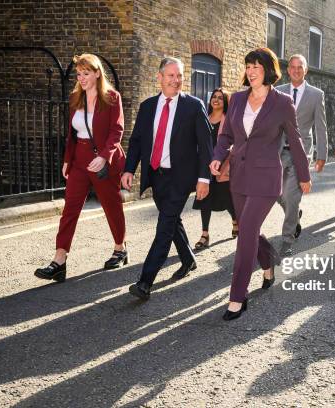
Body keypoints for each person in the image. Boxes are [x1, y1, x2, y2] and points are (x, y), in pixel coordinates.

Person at [210, 48, 311, 320]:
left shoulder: (282, 102)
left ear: (268, 70)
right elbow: (227, 135)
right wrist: (218, 157)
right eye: (248, 66)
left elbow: (296, 140)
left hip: (266, 179)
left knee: (245, 234)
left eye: (256, 66)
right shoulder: (238, 99)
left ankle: (237, 297)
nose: (251, 71)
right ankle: (268, 262)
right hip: (239, 177)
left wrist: (303, 175)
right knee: (247, 229)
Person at [121, 57, 212, 300]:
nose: (176, 80)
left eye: (180, 75)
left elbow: (205, 145)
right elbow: (138, 141)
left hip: (182, 177)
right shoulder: (148, 106)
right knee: (171, 222)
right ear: (159, 77)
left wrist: (205, 178)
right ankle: (188, 259)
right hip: (157, 175)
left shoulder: (193, 106)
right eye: (170, 75)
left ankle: (145, 282)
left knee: (164, 226)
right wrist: (129, 169)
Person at [35, 54, 127, 283]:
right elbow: (72, 133)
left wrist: (105, 157)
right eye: (79, 73)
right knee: (70, 209)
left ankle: (120, 247)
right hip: (79, 160)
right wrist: (67, 159)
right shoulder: (76, 97)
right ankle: (59, 261)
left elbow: (117, 130)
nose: (81, 78)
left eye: (86, 73)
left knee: (111, 205)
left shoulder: (112, 98)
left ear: (97, 73)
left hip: (102, 158)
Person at [275, 54, 327, 257]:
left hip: (302, 153)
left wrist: (321, 154)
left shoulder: (316, 95)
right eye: (293, 67)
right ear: (288, 70)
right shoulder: (277, 92)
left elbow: (321, 127)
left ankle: (287, 239)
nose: (296, 70)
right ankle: (294, 214)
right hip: (278, 151)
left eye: (300, 67)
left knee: (291, 194)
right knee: (276, 193)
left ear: (306, 70)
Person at [192, 88, 237, 249]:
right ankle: (205, 234)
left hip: (222, 166)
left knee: (228, 201)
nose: (216, 100)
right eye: (214, 97)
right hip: (205, 166)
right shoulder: (204, 118)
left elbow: (232, 142)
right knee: (204, 199)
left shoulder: (229, 119)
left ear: (225, 102)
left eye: (220, 98)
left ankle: (235, 220)